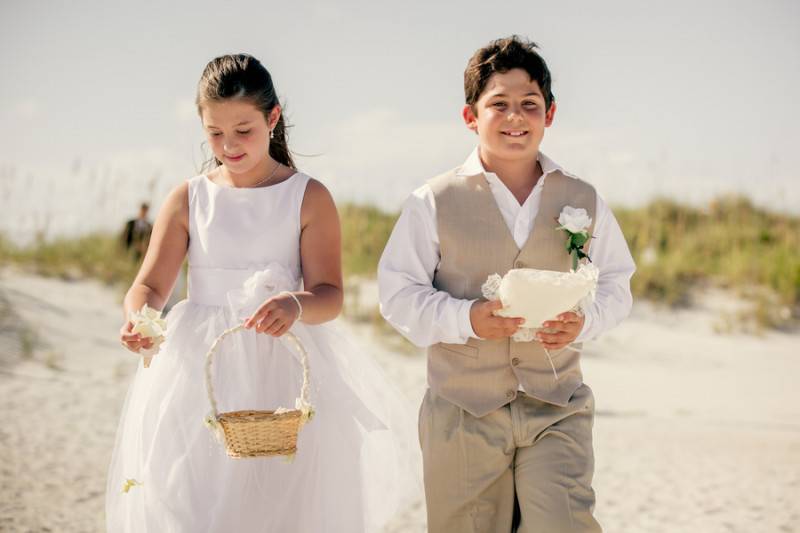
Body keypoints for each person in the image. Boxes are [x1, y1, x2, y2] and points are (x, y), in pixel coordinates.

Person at [107, 54, 416, 532]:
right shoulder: (188, 198)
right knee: (193, 499)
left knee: (278, 502)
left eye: (243, 130)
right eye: (214, 133)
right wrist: (139, 319)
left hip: (283, 367)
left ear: (272, 118)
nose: (228, 145)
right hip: (198, 367)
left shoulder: (307, 196)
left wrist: (296, 304)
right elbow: (148, 285)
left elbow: (330, 295)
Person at [378, 36, 636, 532]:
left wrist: (584, 322)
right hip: (461, 410)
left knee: (565, 523)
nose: (515, 117)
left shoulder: (583, 197)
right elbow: (397, 294)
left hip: (556, 404)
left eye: (529, 105)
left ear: (550, 114)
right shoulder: (431, 200)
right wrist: (466, 319)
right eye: (499, 104)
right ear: (470, 116)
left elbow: (617, 283)